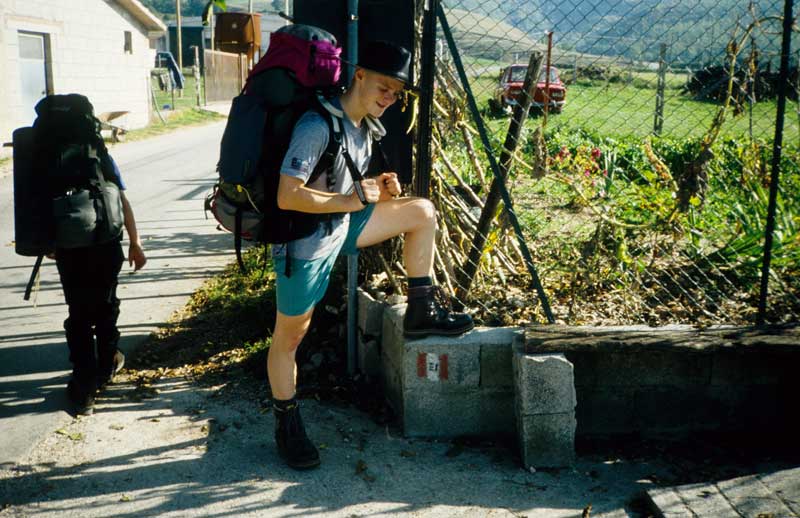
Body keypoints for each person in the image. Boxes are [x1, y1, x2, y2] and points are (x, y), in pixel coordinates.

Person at [264, 40, 474, 470]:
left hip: (341, 228)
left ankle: (421, 308)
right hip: (303, 244)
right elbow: (288, 196)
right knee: (290, 339)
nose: (390, 98)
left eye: (397, 93)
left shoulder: (362, 128)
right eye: (384, 87)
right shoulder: (315, 124)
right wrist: (354, 199)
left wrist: (378, 187)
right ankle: (286, 424)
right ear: (358, 75)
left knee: (421, 212)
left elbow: (346, 186)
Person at [54, 155, 147, 416]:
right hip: (107, 244)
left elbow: (35, 205)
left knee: (79, 313)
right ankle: (106, 368)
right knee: (106, 306)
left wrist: (49, 241)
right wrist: (135, 242)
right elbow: (121, 200)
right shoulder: (98, 153)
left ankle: (84, 391)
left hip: (70, 249)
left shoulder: (48, 154)